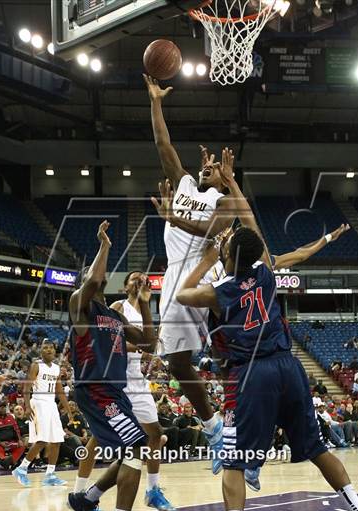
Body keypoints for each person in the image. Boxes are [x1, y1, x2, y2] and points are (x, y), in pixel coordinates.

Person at [176, 149, 358, 511]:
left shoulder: (223, 289)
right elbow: (250, 225)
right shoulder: (265, 269)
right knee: (319, 448)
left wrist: (207, 259)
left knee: (233, 461)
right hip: (289, 367)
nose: (227, 238)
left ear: (231, 255)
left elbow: (182, 293)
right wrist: (232, 182)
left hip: (253, 374)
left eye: (227, 243)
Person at [145, 74, 238, 473]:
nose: (209, 168)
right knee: (177, 362)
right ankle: (218, 427)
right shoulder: (183, 181)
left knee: (179, 361)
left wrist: (172, 218)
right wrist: (156, 103)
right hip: (175, 278)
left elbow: (212, 232)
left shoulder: (225, 200)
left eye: (217, 167)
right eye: (208, 164)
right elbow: (163, 145)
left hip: (197, 276)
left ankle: (220, 427)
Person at [67, 221, 158, 511]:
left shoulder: (115, 316)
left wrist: (147, 303)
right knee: (137, 447)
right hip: (96, 389)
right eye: (95, 276)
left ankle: (86, 498)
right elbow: (92, 279)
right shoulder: (80, 305)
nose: (100, 277)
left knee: (134, 450)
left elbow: (148, 342)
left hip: (114, 392)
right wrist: (104, 245)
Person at [71, 270, 175, 511]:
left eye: (143, 279)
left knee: (154, 434)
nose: (140, 281)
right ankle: (81, 492)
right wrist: (135, 346)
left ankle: (152, 490)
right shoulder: (118, 306)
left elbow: (148, 343)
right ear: (125, 285)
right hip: (114, 379)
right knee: (100, 440)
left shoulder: (141, 311)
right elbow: (109, 340)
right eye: (134, 278)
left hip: (135, 378)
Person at [12, 340, 72, 487]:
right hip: (38, 403)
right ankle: (21, 469)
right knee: (42, 440)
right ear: (41, 351)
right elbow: (27, 386)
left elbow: (59, 391)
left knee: (57, 440)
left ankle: (50, 475)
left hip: (51, 404)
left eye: (51, 348)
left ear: (54, 350)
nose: (48, 350)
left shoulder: (57, 368)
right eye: (45, 348)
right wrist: (27, 406)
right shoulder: (36, 365)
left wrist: (69, 411)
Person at [0, 401, 25, 469]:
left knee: (21, 446)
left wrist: (19, 440)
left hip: (10, 442)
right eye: (1, 407)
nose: (3, 409)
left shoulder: (10, 417)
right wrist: (0, 442)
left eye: (4, 407)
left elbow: (16, 429)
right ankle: (5, 461)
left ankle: (10, 462)